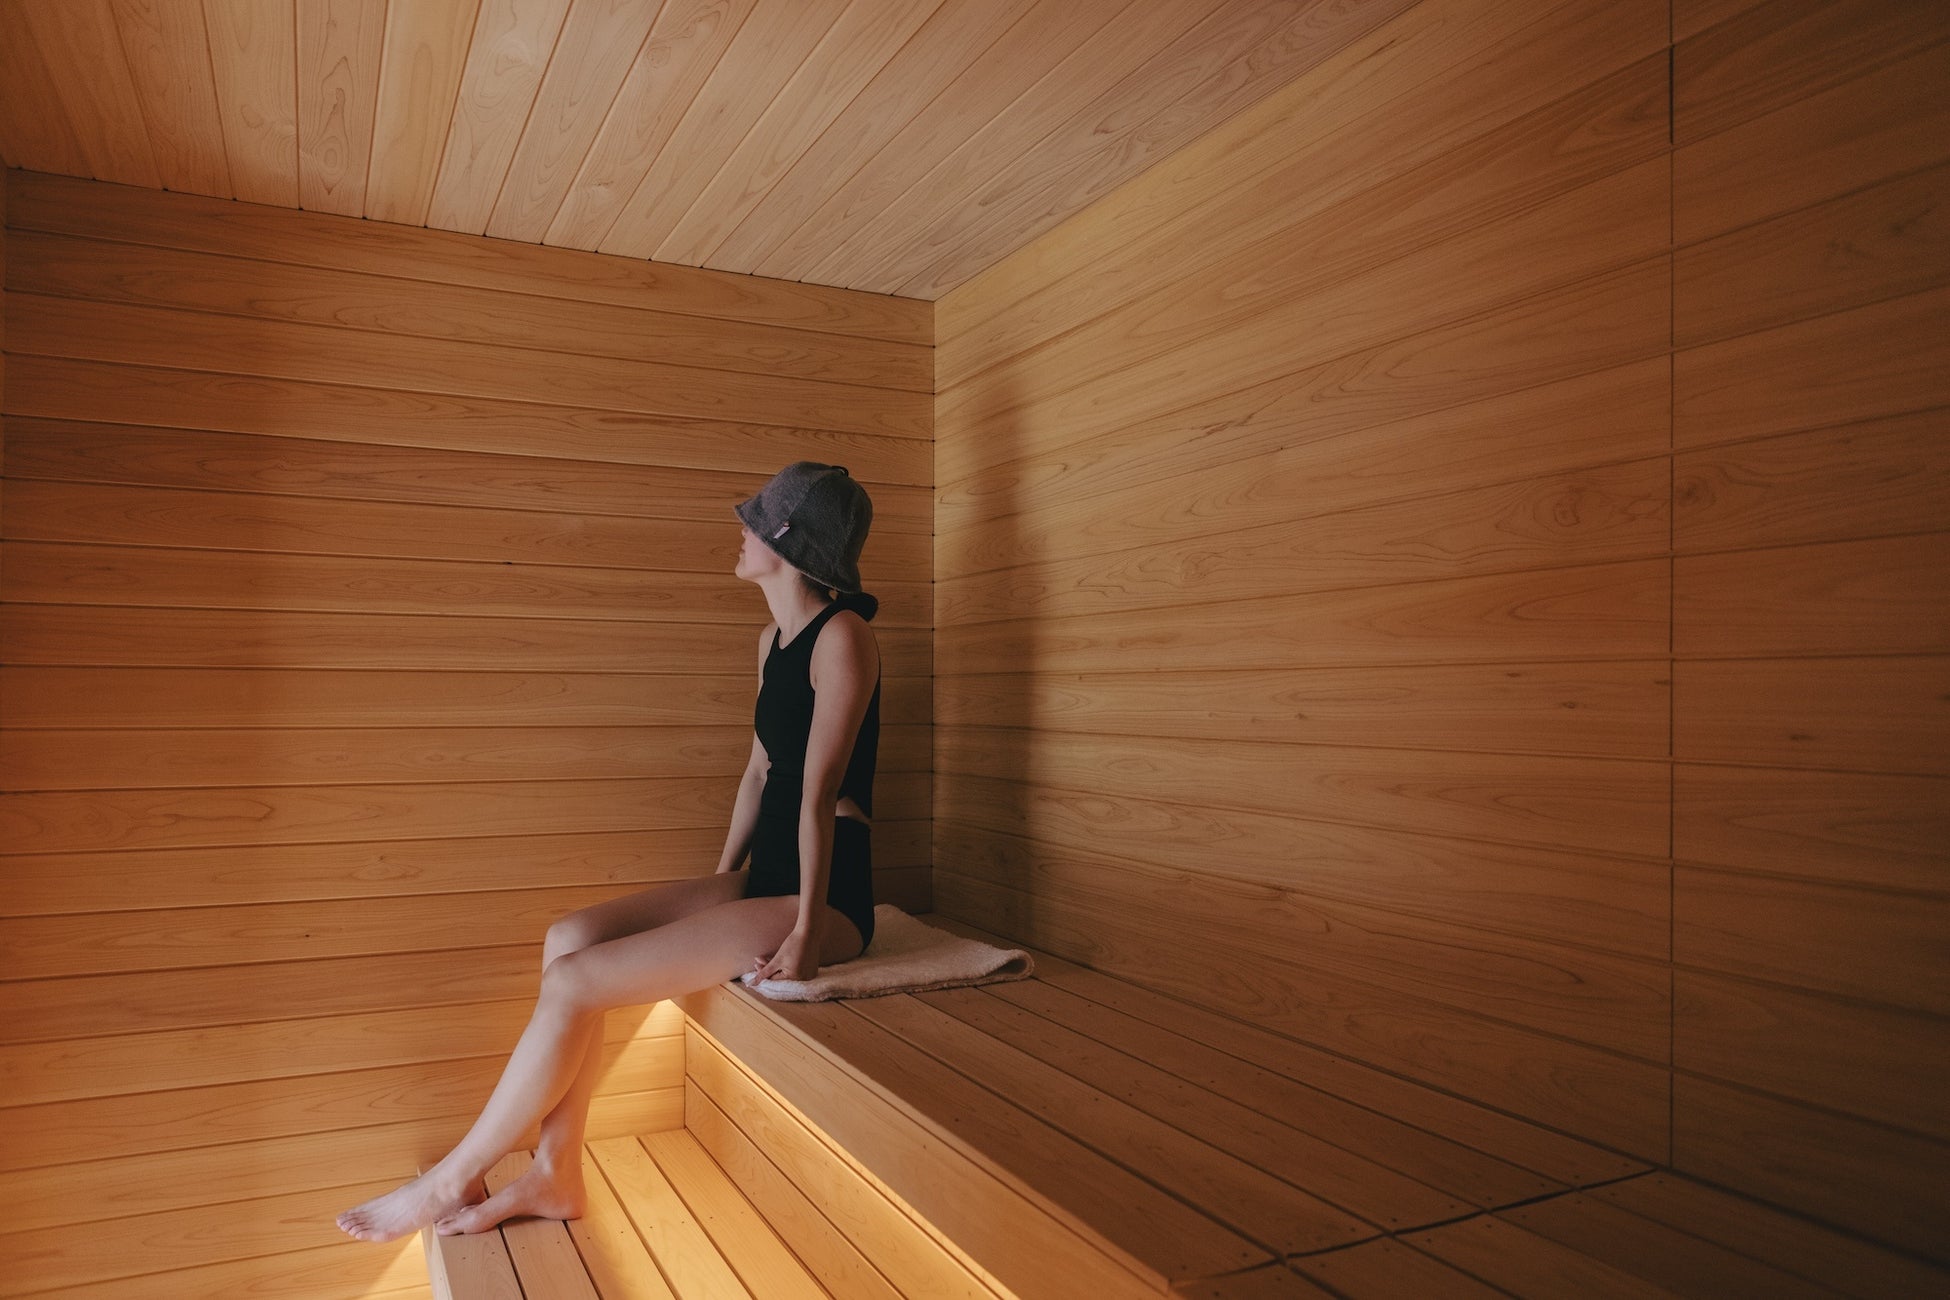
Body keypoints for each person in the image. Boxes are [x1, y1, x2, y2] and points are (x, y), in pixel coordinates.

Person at [335, 462, 882, 1243]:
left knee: (575, 983)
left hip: (827, 895)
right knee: (568, 938)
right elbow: (760, 774)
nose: (741, 532)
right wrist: (721, 887)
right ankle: (555, 1172)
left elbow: (819, 791)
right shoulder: (771, 642)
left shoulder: (845, 637)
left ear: (789, 542)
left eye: (756, 522)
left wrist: (806, 931)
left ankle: (450, 1181)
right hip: (768, 874)